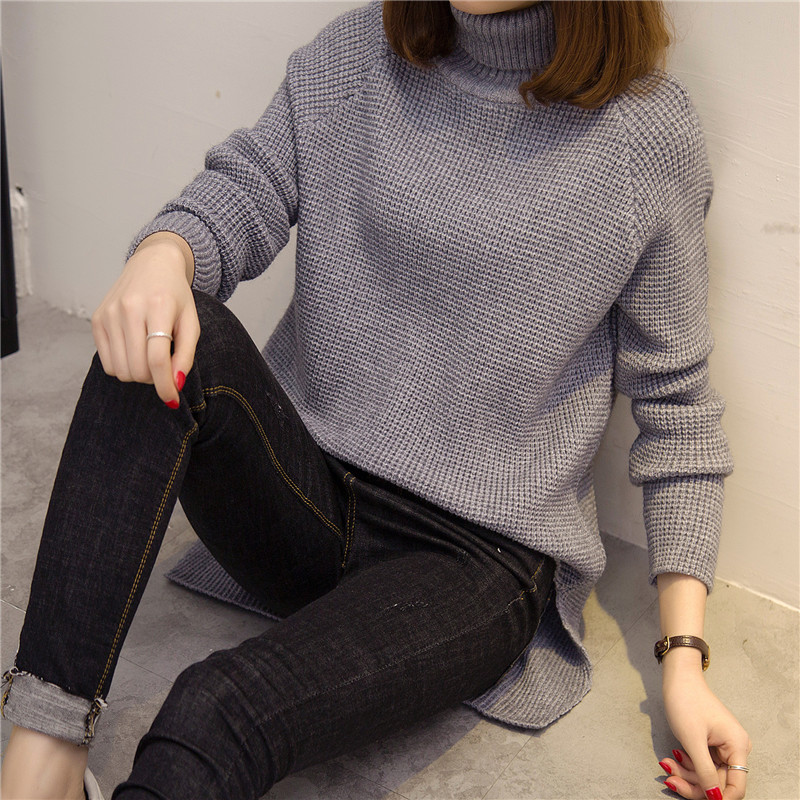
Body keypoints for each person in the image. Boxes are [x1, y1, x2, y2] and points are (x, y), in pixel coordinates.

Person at [0, 0, 752, 798]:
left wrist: (684, 664)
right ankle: (42, 758)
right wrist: (166, 251)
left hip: (472, 562)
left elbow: (677, 408)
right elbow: (247, 186)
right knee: (162, 332)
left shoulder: (647, 137)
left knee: (214, 710)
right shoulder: (357, 55)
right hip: (308, 498)